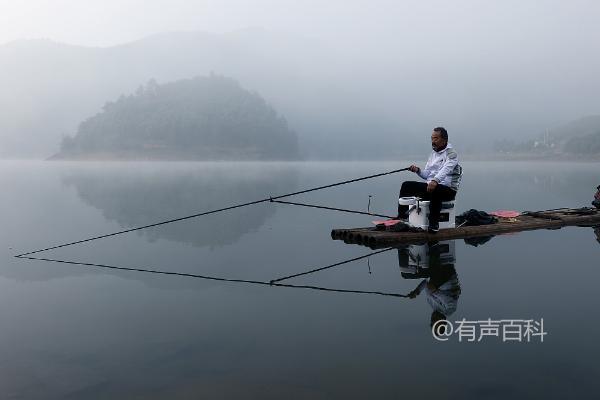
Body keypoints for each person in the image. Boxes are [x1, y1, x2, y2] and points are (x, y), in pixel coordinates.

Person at [398, 127, 462, 233]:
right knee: (406, 185)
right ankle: (402, 218)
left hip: (448, 190)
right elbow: (427, 174)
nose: (433, 141)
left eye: (436, 138)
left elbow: (446, 169)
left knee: (435, 189)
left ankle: (433, 224)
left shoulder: (451, 154)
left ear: (444, 139)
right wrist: (418, 170)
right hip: (431, 186)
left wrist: (435, 180)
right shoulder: (433, 154)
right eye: (432, 138)